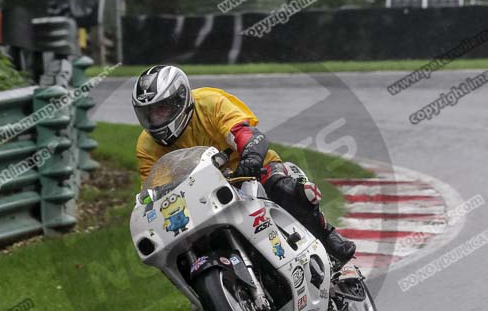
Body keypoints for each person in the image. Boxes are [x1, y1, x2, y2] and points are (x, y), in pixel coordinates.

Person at [132, 65, 356, 265]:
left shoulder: (210, 103)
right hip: (201, 197)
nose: (155, 119)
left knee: (283, 188)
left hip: (247, 173)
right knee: (182, 245)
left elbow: (243, 132)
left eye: (161, 109)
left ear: (180, 98)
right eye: (148, 114)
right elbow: (154, 191)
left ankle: (328, 238)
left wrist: (250, 156)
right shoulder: (146, 145)